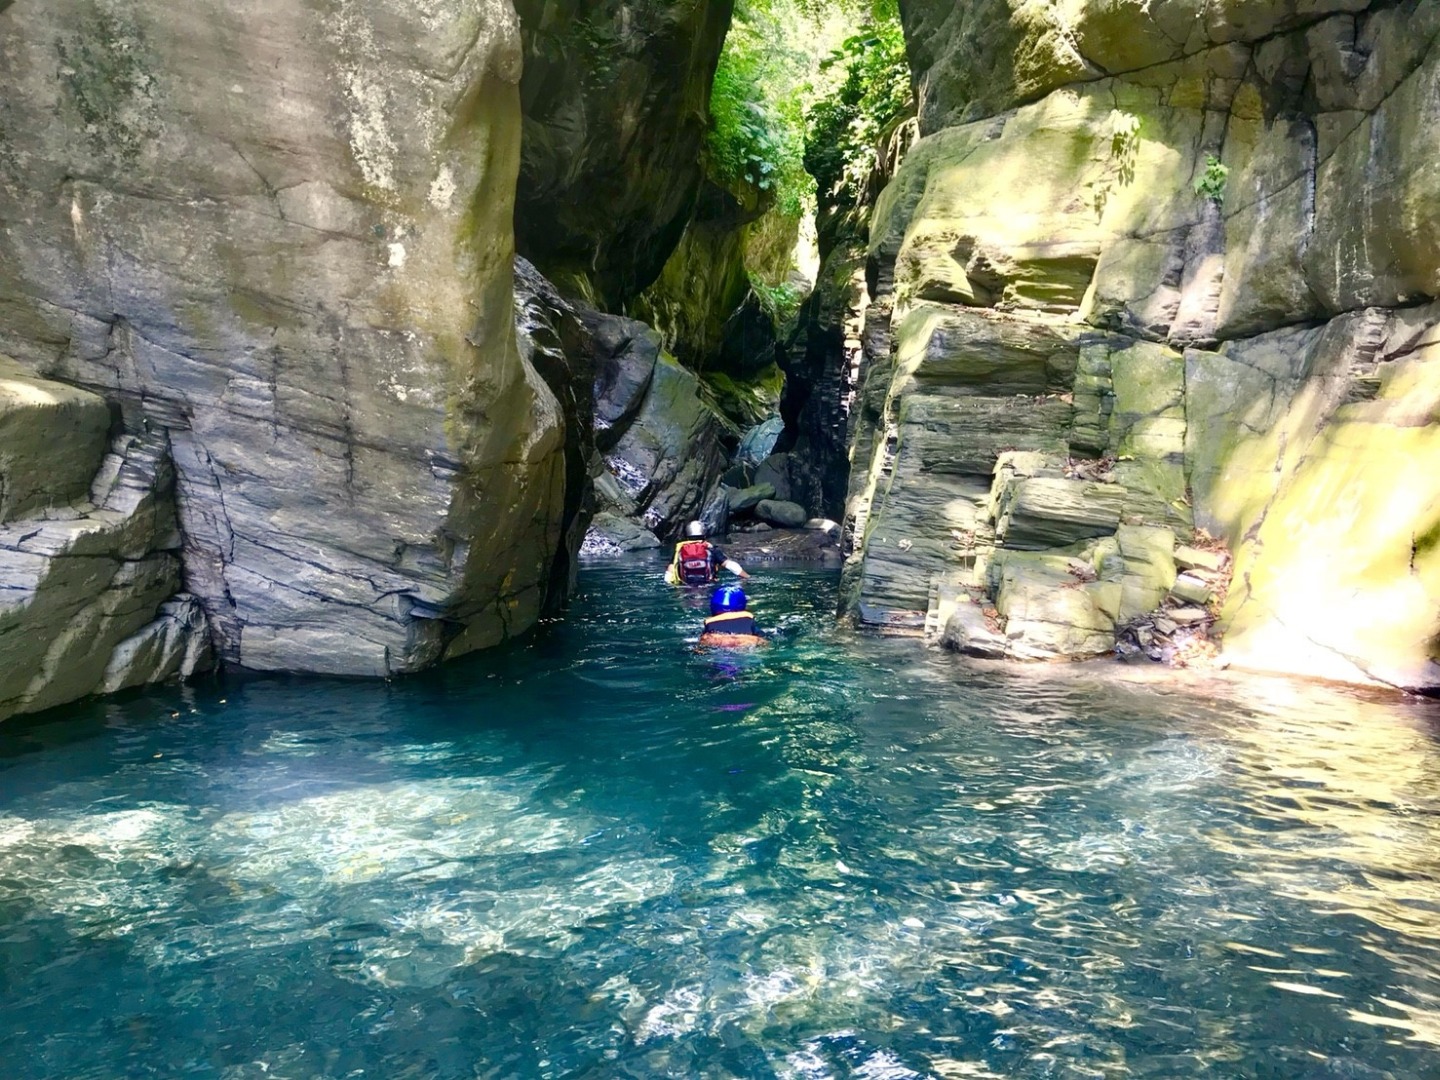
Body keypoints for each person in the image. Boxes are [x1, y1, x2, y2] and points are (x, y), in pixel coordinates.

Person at [665, 520, 749, 586]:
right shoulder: (711, 549)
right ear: (704, 535)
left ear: (687, 536)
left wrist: (668, 585)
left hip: (685, 587)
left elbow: (670, 572)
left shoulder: (680, 550)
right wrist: (747, 577)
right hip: (708, 586)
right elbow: (730, 566)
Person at [698, 585, 766, 647]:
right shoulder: (748, 620)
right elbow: (763, 638)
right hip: (745, 641)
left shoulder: (710, 623)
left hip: (717, 641)